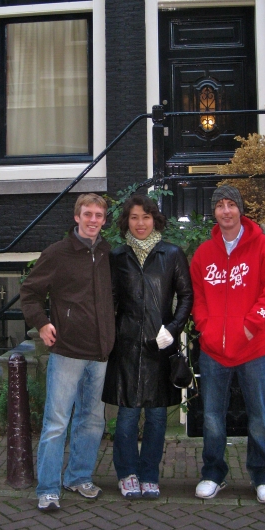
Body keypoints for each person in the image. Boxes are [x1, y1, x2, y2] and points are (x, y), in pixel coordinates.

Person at [20, 193, 115, 512]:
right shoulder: (57, 253)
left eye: (98, 215)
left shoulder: (105, 252)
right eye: (87, 214)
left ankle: (78, 476)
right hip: (67, 352)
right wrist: (42, 324)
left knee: (91, 420)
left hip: (100, 352)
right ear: (76, 217)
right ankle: (47, 488)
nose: (93, 220)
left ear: (104, 220)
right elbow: (30, 293)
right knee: (56, 422)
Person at [190, 185, 265, 504]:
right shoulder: (203, 254)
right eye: (220, 206)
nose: (226, 211)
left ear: (240, 210)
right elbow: (197, 298)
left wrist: (249, 326)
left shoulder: (264, 247)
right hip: (213, 351)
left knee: (260, 416)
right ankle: (213, 474)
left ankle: (263, 475)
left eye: (231, 205)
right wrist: (206, 328)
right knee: (213, 417)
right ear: (214, 212)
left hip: (254, 349)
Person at [102, 194, 193, 499]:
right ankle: (127, 473)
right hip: (126, 348)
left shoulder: (172, 254)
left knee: (155, 417)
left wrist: (173, 327)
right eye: (134, 218)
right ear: (126, 221)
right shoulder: (117, 257)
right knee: (126, 416)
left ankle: (149, 473)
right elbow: (110, 302)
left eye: (146, 217)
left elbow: (187, 296)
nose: (140, 224)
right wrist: (110, 338)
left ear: (155, 219)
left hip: (160, 347)